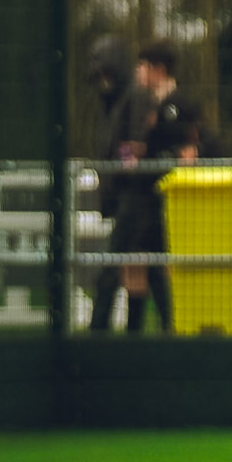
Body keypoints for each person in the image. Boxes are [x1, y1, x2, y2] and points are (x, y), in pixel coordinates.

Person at [99, 40, 184, 334]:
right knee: (150, 265)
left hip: (141, 195)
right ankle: (161, 327)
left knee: (122, 263)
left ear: (157, 69)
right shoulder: (147, 100)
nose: (139, 70)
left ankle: (102, 328)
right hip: (147, 193)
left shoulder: (161, 103)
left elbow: (137, 145)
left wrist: (134, 160)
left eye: (144, 65)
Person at [86, 37, 156, 332]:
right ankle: (134, 331)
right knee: (136, 268)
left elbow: (136, 143)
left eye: (107, 74)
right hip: (123, 195)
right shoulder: (110, 104)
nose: (104, 81)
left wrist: (123, 165)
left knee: (115, 267)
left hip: (135, 196)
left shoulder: (134, 97)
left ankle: (99, 329)